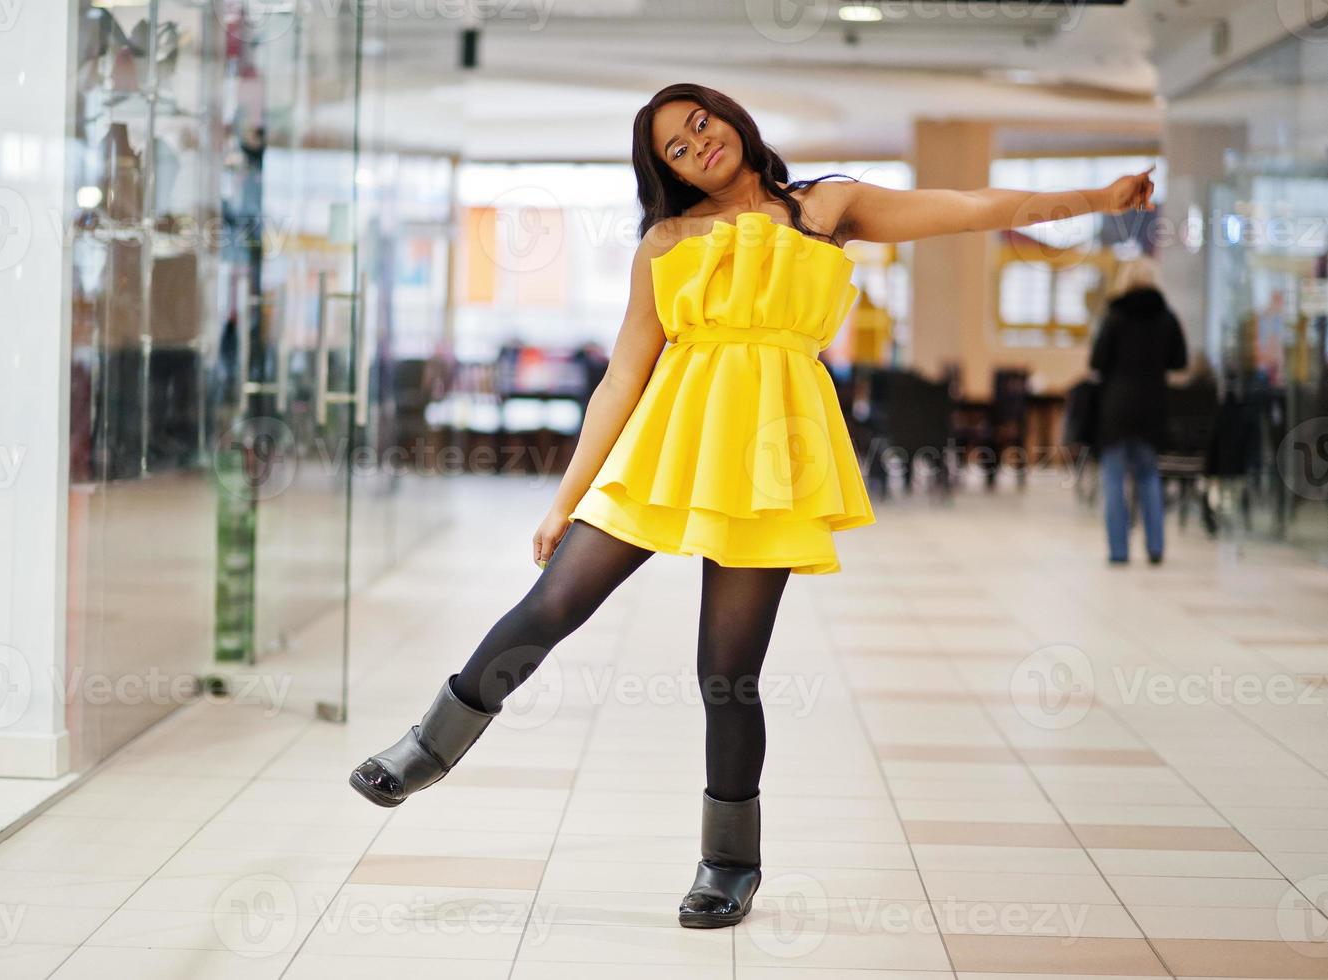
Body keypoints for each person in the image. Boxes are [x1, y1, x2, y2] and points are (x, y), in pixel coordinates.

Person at [350, 82, 1157, 929]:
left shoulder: (823, 207)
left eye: (701, 122)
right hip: (668, 444)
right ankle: (429, 747)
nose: (697, 144)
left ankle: (728, 862)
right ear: (663, 170)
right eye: (674, 147)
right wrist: (565, 499)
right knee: (551, 602)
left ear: (731, 119)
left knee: (727, 673)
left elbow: (962, 206)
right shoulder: (663, 242)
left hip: (772, 454)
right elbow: (623, 376)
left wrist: (1093, 200)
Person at [1088, 257, 1187, 564]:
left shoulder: (1115, 315)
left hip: (1117, 407)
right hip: (1152, 405)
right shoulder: (1166, 317)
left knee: (1114, 479)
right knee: (1148, 476)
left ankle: (1119, 551)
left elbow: (1097, 362)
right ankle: (1155, 547)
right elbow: (1179, 361)